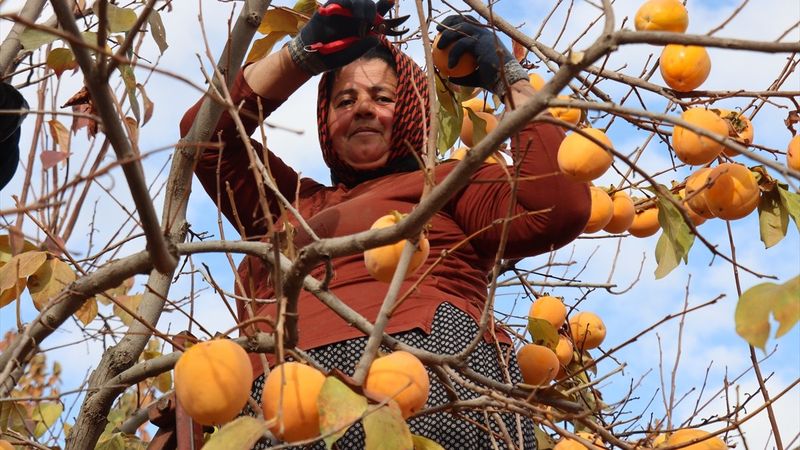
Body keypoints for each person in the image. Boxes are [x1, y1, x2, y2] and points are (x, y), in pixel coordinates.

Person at [180, 2, 590, 448]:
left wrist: (510, 80)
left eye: (382, 97)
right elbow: (204, 136)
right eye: (345, 100)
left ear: (412, 107)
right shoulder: (287, 203)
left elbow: (557, 205)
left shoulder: (448, 182)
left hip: (431, 378)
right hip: (283, 400)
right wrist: (301, 55)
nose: (362, 109)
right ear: (325, 121)